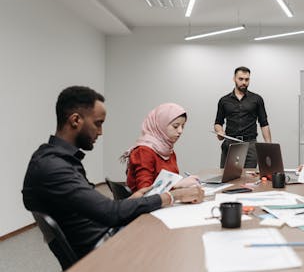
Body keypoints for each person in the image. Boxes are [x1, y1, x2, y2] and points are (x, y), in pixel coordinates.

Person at [22, 86, 204, 263]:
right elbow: (110, 213)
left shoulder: (56, 159)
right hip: (105, 250)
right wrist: (170, 196)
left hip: (107, 235)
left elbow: (100, 208)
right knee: (186, 246)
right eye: (98, 123)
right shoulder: (53, 167)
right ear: (75, 120)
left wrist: (131, 201)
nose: (100, 132)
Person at [121, 103, 199, 192]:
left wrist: (183, 185)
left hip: (165, 201)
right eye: (175, 126)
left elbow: (170, 181)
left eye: (183, 126)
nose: (180, 131)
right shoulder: (143, 151)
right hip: (148, 204)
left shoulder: (168, 151)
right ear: (160, 125)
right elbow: (144, 191)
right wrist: (177, 186)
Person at [214, 66, 272, 168]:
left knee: (249, 179)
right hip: (230, 144)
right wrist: (219, 131)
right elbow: (218, 122)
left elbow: (264, 123)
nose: (244, 82)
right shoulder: (224, 100)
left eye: (247, 79)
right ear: (234, 79)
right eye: (240, 79)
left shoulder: (257, 99)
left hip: (250, 145)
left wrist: (269, 146)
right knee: (227, 178)